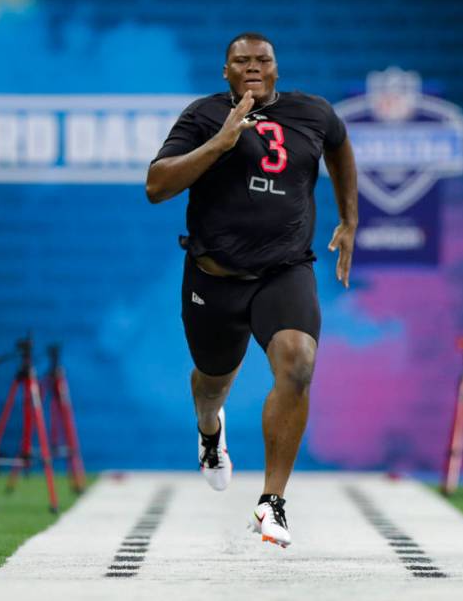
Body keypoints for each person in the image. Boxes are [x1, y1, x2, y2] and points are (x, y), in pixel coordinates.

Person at [145, 32, 358, 548]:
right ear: (226, 71)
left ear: (277, 68)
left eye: (263, 60)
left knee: (298, 362)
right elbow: (156, 185)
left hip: (283, 270)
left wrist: (350, 219)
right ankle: (209, 433)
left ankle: (272, 501)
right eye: (242, 61)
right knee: (213, 382)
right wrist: (219, 142)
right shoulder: (203, 115)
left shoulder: (312, 112)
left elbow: (339, 146)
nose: (254, 67)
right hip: (214, 277)